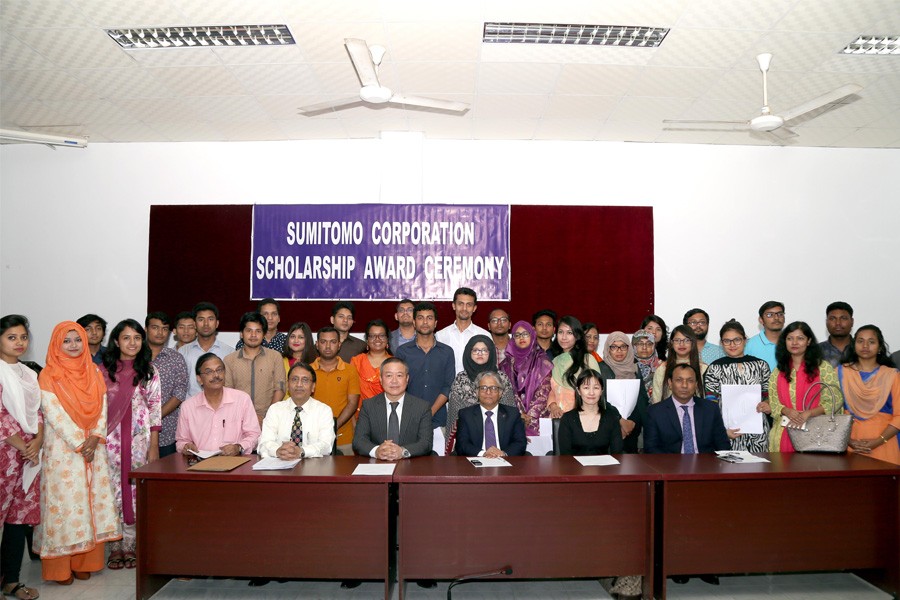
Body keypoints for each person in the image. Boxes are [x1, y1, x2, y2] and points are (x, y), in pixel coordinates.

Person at [37, 322, 121, 584]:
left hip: (94, 447)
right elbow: (53, 413)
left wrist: (95, 437)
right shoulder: (49, 374)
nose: (73, 345)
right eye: (67, 340)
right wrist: (80, 442)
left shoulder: (93, 371)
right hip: (63, 451)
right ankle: (59, 568)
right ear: (56, 344)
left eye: (77, 339)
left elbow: (102, 405)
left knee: (91, 504)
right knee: (65, 507)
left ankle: (86, 561)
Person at [101, 319, 161, 570]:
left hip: (139, 441)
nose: (132, 343)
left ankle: (131, 544)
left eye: (137, 338)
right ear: (116, 341)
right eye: (126, 338)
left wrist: (154, 446)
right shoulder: (103, 371)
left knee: (135, 491)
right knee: (111, 489)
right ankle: (115, 546)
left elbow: (155, 409)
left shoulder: (149, 371)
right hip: (110, 440)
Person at [0, 315, 42, 600]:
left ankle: (11, 581)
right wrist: (22, 444)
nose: (19, 342)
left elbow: (38, 411)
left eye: (23, 337)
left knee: (17, 519)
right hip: (5, 453)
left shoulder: (29, 374)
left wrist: (37, 441)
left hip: (28, 457)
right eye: (11, 337)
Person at [768, 321, 842, 453]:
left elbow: (835, 400)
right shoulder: (778, 371)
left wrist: (809, 413)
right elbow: (773, 403)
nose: (794, 342)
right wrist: (786, 410)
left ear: (809, 341)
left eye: (800, 338)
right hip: (784, 434)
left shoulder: (823, 367)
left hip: (817, 434)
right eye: (790, 338)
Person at [703, 320, 772, 453]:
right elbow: (711, 403)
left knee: (759, 464)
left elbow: (768, 395)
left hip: (757, 433)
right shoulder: (714, 368)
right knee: (728, 465)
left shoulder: (761, 365)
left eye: (737, 340)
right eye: (727, 341)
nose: (732, 344)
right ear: (721, 343)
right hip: (726, 432)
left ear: (745, 340)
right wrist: (721, 431)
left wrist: (767, 404)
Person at [175, 353, 261, 456]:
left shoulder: (242, 399)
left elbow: (254, 435)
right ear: (199, 379)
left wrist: (239, 447)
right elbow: (181, 441)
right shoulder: (188, 407)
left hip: (235, 461)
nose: (216, 375)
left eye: (219, 370)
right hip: (200, 462)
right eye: (209, 372)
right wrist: (186, 446)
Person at [838, 325, 900, 464]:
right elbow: (831, 412)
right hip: (849, 445)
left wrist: (878, 441)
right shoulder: (840, 373)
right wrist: (848, 440)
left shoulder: (892, 375)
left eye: (871, 342)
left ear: (880, 347)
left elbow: (899, 416)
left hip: (885, 444)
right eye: (860, 341)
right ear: (854, 345)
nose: (865, 346)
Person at [446, 335, 515, 454]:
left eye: (484, 350)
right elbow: (455, 415)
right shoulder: (461, 379)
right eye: (475, 350)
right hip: (468, 437)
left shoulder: (501, 378)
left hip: (499, 435)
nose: (480, 353)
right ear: (469, 353)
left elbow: (509, 412)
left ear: (491, 353)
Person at [352, 358, 433, 459]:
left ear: (407, 378)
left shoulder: (422, 407)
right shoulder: (369, 405)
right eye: (389, 375)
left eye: (399, 375)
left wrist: (402, 452)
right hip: (378, 464)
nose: (394, 381)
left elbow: (426, 443)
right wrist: (376, 451)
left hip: (411, 464)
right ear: (381, 379)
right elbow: (359, 441)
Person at [396, 302, 456, 434]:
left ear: (435, 323)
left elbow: (448, 386)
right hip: (409, 419)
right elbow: (399, 385)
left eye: (429, 318)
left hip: (439, 420)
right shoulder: (403, 352)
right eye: (420, 318)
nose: (425, 322)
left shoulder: (447, 352)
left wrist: (430, 412)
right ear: (414, 322)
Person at [645, 363, 730, 454]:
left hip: (704, 461)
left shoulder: (710, 409)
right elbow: (651, 448)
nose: (684, 385)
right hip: (670, 462)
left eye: (690, 381)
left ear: (696, 384)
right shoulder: (655, 412)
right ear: (670, 383)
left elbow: (723, 445)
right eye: (679, 380)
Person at [257, 362, 336, 459]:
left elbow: (326, 445)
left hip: (313, 466)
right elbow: (264, 443)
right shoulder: (275, 410)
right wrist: (277, 451)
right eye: (294, 379)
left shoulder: (324, 411)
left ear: (313, 387)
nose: (299, 384)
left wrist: (302, 451)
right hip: (280, 463)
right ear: (287, 385)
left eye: (305, 380)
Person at [223, 312, 286, 426]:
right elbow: (228, 392)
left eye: (258, 331)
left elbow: (280, 389)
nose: (253, 335)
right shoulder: (229, 360)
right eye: (249, 331)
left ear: (264, 334)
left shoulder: (275, 357)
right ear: (241, 334)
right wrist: (246, 417)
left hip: (269, 420)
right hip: (238, 420)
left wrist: (267, 417)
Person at [145, 311, 188, 457]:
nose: (160, 333)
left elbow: (180, 392)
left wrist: (155, 417)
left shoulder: (176, 358)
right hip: (135, 431)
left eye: (164, 329)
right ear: (146, 329)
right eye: (155, 328)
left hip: (167, 431)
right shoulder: (134, 355)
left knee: (165, 470)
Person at [311, 327, 360, 455]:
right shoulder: (308, 371)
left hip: (345, 439)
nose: (328, 346)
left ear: (339, 345)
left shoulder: (350, 370)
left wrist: (333, 426)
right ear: (317, 344)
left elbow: (353, 403)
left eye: (333, 342)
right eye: (323, 342)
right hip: (314, 439)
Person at [598, 332, 649, 454]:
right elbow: (599, 399)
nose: (619, 351)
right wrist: (620, 422)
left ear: (629, 348)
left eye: (623, 346)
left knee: (630, 463)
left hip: (632, 428)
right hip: (607, 428)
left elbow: (641, 400)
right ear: (608, 349)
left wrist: (631, 424)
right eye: (614, 347)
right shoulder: (600, 369)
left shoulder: (635, 368)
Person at [454, 371, 526, 457]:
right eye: (483, 388)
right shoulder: (466, 415)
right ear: (477, 392)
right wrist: (483, 453)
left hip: (505, 460)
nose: (488, 392)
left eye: (493, 388)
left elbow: (520, 443)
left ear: (500, 392)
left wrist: (503, 453)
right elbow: (461, 444)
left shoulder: (512, 414)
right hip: (476, 460)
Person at [499, 320, 552, 436]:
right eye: (517, 335)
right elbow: (505, 394)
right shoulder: (505, 365)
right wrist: (519, 415)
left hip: (538, 419)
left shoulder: (543, 361)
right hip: (513, 419)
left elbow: (543, 392)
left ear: (532, 336)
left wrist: (530, 417)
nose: (521, 338)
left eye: (525, 334)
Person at [559, 369, 623, 455]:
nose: (591, 393)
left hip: (604, 464)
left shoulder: (611, 418)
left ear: (601, 391)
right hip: (573, 464)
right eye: (586, 388)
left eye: (596, 388)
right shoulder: (567, 419)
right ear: (578, 391)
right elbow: (565, 457)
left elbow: (617, 454)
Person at [548, 316, 600, 417]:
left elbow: (596, 392)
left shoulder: (588, 360)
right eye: (560, 332)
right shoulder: (554, 361)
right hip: (557, 417)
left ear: (577, 336)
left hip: (582, 418)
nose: (564, 337)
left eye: (569, 333)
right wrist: (553, 406)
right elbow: (553, 390)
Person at [179, 302, 231, 398]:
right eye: (201, 319)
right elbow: (179, 387)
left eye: (210, 319)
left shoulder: (229, 352)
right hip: (191, 405)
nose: (206, 324)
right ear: (194, 324)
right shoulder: (182, 352)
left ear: (217, 323)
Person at [436, 287, 490, 374]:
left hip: (476, 382)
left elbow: (490, 368)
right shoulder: (440, 336)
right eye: (460, 304)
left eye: (469, 304)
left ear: (474, 308)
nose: (464, 308)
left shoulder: (485, 335)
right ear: (454, 306)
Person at [652, 326, 707, 404]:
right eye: (677, 340)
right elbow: (656, 401)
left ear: (693, 343)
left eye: (687, 340)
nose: (681, 344)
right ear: (672, 343)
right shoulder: (662, 369)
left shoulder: (704, 369)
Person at [351, 320, 392, 409]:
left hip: (388, 412)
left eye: (382, 335)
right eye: (372, 336)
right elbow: (350, 393)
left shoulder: (394, 364)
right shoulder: (357, 361)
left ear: (387, 339)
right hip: (360, 413)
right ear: (367, 340)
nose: (377, 339)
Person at [745, 301, 785, 369]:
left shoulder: (792, 342)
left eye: (780, 314)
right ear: (761, 320)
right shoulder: (749, 345)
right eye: (770, 315)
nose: (776, 318)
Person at [820, 301, 854, 367]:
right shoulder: (815, 352)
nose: (838, 323)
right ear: (826, 322)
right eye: (832, 319)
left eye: (843, 318)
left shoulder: (863, 349)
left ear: (852, 321)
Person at [633, 329, 661, 399]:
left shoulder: (662, 366)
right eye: (640, 344)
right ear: (633, 345)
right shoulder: (627, 366)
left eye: (649, 344)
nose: (644, 348)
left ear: (654, 346)